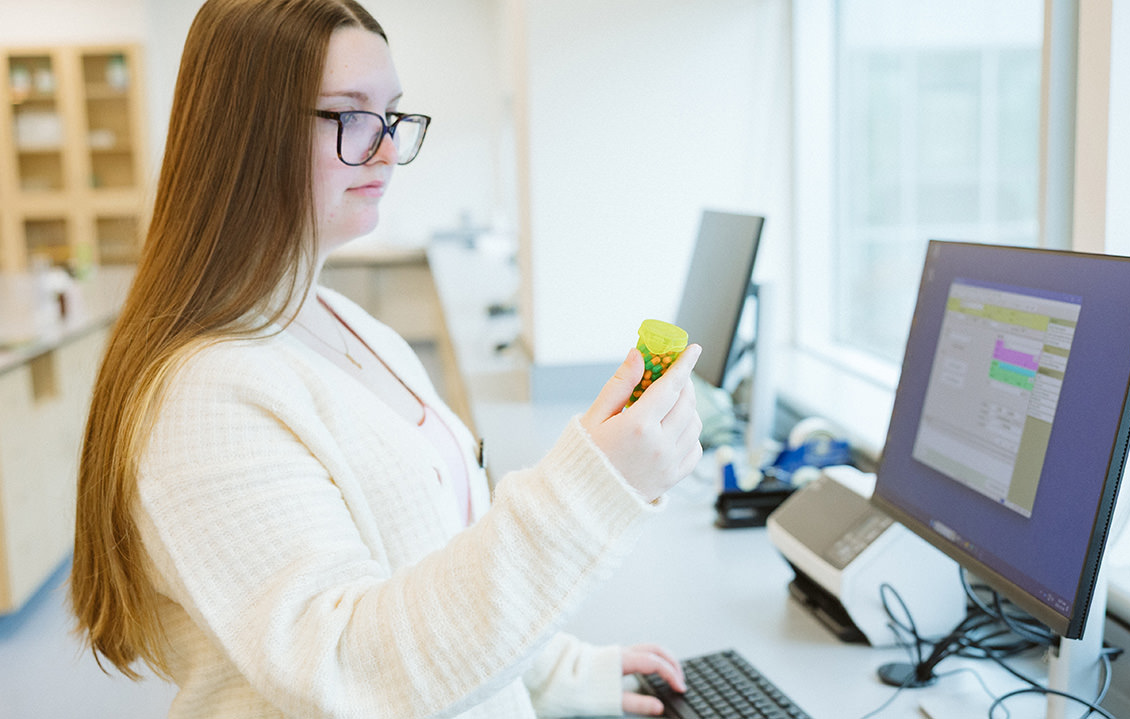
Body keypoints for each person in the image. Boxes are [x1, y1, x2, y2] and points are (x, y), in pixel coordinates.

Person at [68, 1, 703, 717]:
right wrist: (596, 482)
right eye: (350, 115)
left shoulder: (348, 324)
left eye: (392, 116)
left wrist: (560, 672)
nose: (386, 150)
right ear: (245, 132)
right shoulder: (203, 395)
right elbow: (346, 668)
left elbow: (430, 555)